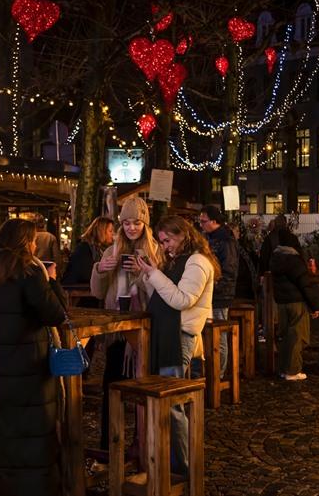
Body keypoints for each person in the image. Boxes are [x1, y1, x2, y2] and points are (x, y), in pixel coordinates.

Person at [0, 219, 66, 496]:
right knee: (31, 433)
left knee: (1, 430)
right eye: (33, 241)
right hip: (28, 371)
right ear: (25, 243)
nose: (35, 246)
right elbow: (56, 314)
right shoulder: (29, 271)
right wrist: (51, 281)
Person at [138, 214, 219, 475]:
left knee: (173, 404)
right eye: (162, 242)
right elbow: (163, 295)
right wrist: (150, 273)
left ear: (183, 234)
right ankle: (173, 461)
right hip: (168, 334)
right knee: (169, 402)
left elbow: (182, 300)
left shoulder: (197, 261)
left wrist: (154, 274)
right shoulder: (179, 261)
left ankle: (183, 467)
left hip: (179, 336)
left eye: (168, 240)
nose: (165, 246)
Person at [90, 197, 160, 451]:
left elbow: (159, 293)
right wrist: (100, 269)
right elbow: (98, 292)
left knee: (143, 389)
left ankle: (142, 444)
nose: (131, 228)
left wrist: (143, 274)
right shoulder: (112, 250)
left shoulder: (155, 250)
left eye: (137, 223)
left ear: (145, 224)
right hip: (118, 330)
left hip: (143, 330)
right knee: (111, 388)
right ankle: (109, 445)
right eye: (127, 222)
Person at [270, 229, 319, 381]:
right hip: (296, 302)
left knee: (285, 336)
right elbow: (304, 285)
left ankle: (283, 368)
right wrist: (315, 305)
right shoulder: (294, 260)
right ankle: (293, 370)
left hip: (282, 302)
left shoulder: (275, 258)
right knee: (297, 336)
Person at [198, 205, 238, 378]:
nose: (201, 225)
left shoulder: (225, 241)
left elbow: (229, 271)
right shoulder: (209, 238)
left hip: (220, 295)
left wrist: (213, 288)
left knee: (218, 335)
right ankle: (212, 372)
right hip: (211, 293)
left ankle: (218, 374)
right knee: (211, 333)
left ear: (214, 221)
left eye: (203, 221)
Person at [62, 216, 115, 284]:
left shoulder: (101, 249)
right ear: (101, 232)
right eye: (110, 231)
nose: (113, 234)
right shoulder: (84, 249)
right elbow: (85, 274)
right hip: (78, 287)